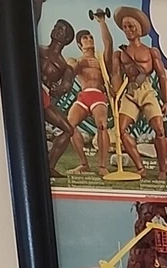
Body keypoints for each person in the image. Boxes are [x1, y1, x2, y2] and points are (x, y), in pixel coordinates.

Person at [111, 6, 167, 179]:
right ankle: (140, 167)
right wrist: (116, 94)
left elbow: (162, 76)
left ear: (139, 28)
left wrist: (166, 101)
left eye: (131, 26)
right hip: (129, 92)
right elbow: (116, 75)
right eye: (125, 27)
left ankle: (163, 170)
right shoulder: (119, 53)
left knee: (159, 130)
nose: (128, 30)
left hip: (147, 91)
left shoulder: (151, 52)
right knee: (121, 130)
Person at [67, 14, 113, 177]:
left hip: (98, 95)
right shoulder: (76, 60)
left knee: (102, 125)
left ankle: (102, 166)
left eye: (91, 37)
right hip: (84, 95)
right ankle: (84, 164)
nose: (89, 39)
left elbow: (108, 43)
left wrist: (102, 22)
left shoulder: (101, 59)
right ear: (80, 45)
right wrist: (79, 63)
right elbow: (70, 70)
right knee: (69, 126)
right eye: (85, 38)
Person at [39, 19, 76, 177]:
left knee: (68, 130)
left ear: (66, 39)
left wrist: (60, 89)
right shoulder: (38, 49)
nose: (56, 30)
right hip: (31, 93)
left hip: (44, 98)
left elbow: (65, 86)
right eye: (55, 27)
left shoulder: (65, 66)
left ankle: (49, 167)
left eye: (61, 29)